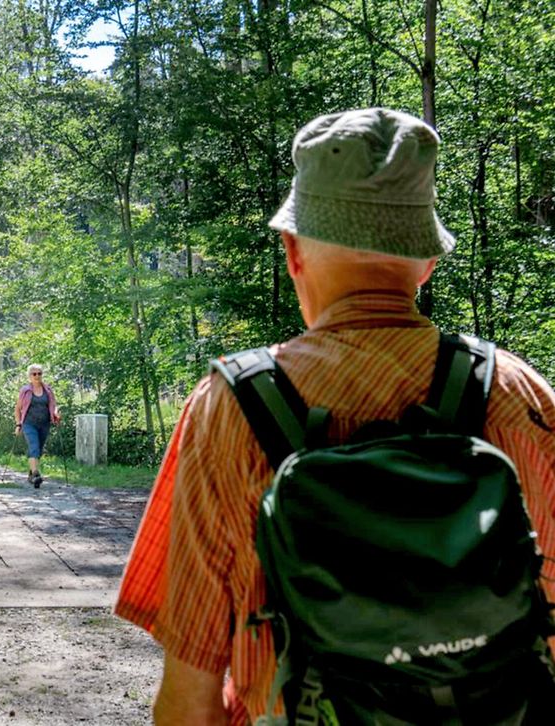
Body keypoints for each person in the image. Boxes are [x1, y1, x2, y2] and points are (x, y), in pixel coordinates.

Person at [114, 107, 555, 724]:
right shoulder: (522, 399)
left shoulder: (230, 410)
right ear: (427, 260)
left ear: (293, 252)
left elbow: (192, 697)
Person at [14, 363, 61, 488]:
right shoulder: (25, 391)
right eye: (34, 374)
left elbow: (53, 404)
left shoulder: (48, 390)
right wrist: (18, 424)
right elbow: (18, 408)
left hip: (44, 424)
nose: (37, 376)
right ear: (29, 376)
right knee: (34, 446)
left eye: (39, 373)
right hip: (29, 424)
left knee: (38, 449)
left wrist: (56, 413)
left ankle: (31, 473)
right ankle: (36, 474)